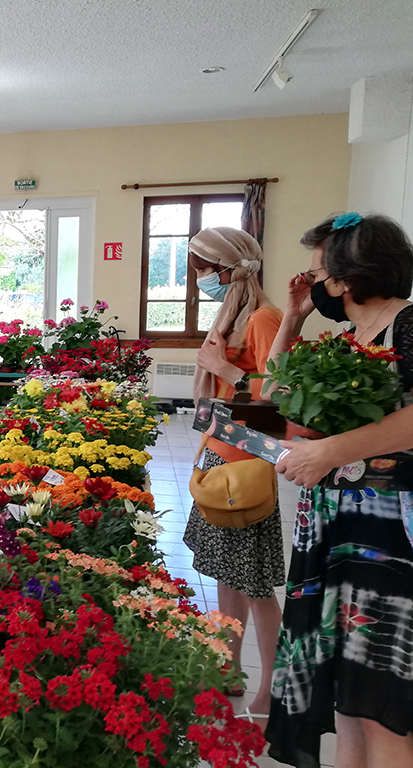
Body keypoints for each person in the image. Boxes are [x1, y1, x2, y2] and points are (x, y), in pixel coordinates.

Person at [266, 213, 413, 768]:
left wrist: (329, 451)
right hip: (338, 527)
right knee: (349, 701)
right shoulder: (352, 338)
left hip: (388, 536)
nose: (312, 285)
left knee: (382, 704)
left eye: (316, 275)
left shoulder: (409, 324)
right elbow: (281, 391)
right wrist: (294, 319)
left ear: (347, 277)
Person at [182, 227, 284, 719]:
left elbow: (277, 402)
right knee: (225, 575)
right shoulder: (233, 315)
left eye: (204, 270)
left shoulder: (264, 318)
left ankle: (271, 688)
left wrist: (224, 365)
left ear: (229, 268)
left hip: (245, 466)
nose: (201, 279)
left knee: (257, 586)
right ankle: (227, 668)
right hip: (218, 455)